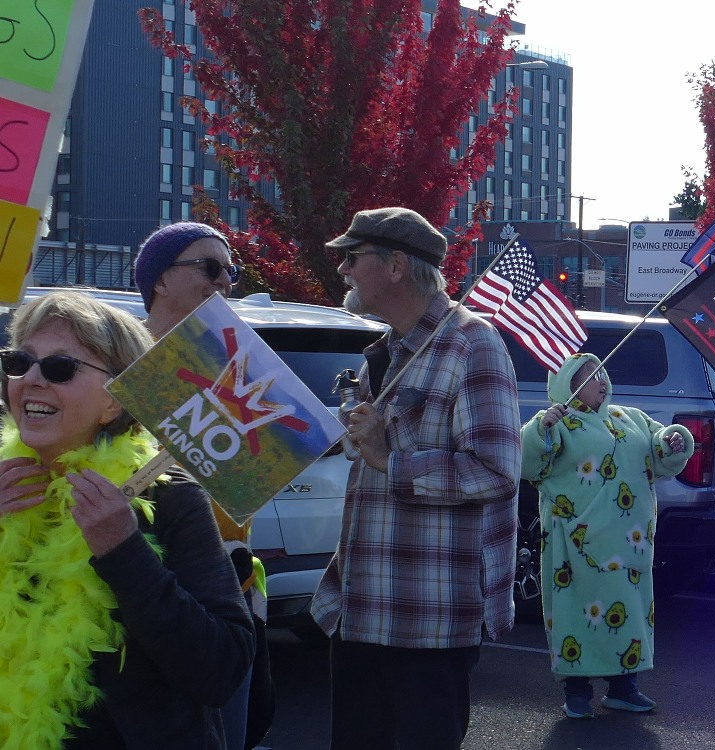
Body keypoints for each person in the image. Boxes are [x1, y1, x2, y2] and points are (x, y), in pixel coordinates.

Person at [0, 290, 254, 747]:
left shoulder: (169, 498)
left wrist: (123, 550)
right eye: (19, 362)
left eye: (60, 367)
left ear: (114, 400)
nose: (32, 379)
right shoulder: (5, 487)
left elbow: (221, 670)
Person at [309, 207, 522, 749]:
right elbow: (364, 446)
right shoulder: (384, 353)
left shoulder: (473, 344)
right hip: (358, 613)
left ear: (397, 265)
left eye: (353, 258)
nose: (344, 270)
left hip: (427, 621)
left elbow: (497, 471)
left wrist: (391, 460)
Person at [135, 221, 273, 749]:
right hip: (142, 587)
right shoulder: (116, 358)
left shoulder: (237, 363)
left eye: (230, 271)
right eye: (210, 267)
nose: (224, 281)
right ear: (160, 280)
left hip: (227, 588)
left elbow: (249, 481)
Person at [520, 353, 692, 719]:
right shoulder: (556, 422)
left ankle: (623, 688)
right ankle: (577, 692)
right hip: (574, 545)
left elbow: (657, 451)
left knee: (626, 614)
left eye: (601, 373)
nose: (601, 380)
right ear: (569, 382)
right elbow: (526, 463)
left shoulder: (627, 418)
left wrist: (673, 440)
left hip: (626, 545)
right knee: (574, 615)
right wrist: (542, 430)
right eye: (589, 374)